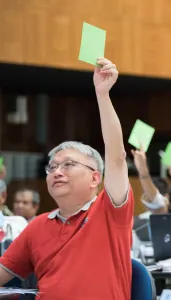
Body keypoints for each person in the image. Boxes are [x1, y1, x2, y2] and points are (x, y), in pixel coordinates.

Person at [0, 58, 133, 299]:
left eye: (68, 165)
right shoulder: (37, 227)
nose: (56, 172)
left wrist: (102, 95)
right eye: (51, 167)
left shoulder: (110, 212)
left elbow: (116, 157)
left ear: (95, 178)